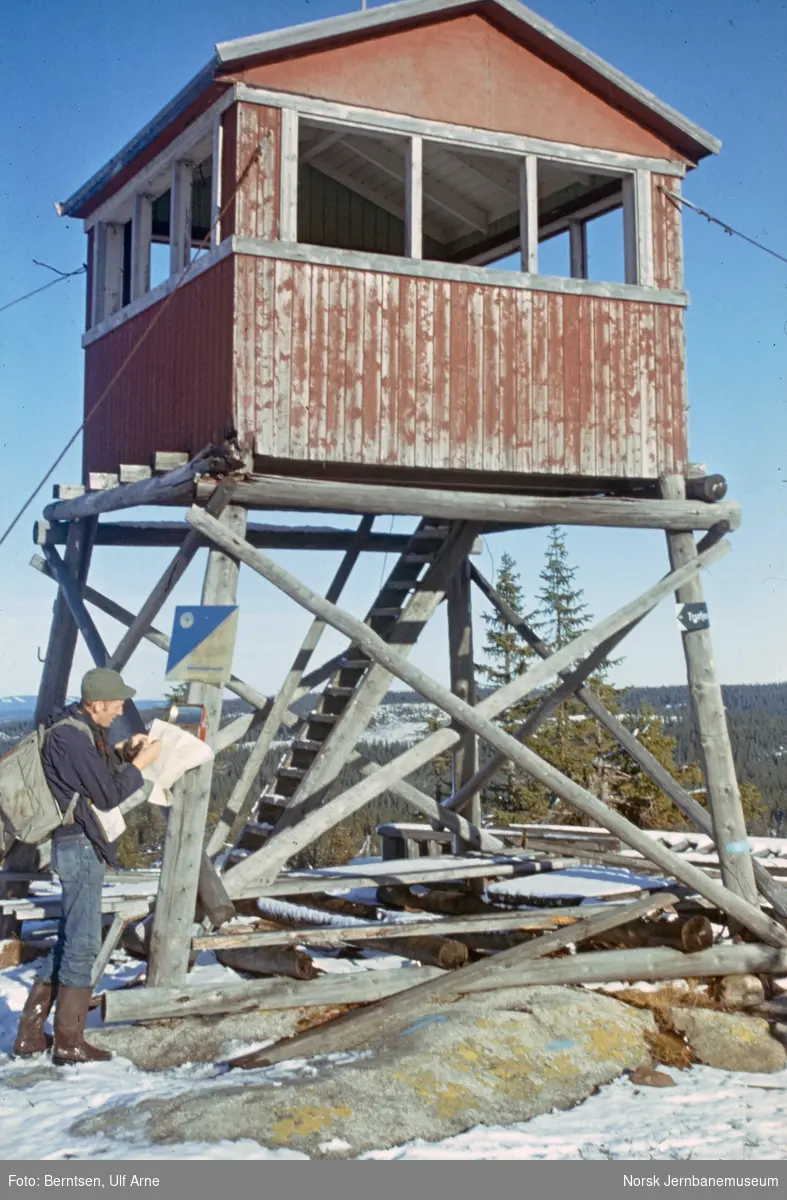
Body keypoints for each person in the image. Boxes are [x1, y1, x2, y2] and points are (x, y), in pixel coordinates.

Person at [13, 668, 162, 1065]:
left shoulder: (76, 729)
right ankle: (68, 1043)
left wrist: (121, 754)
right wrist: (142, 764)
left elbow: (90, 777)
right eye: (115, 706)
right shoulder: (70, 736)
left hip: (77, 845)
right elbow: (108, 794)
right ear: (96, 703)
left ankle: (30, 1035)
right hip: (79, 846)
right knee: (82, 943)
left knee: (69, 940)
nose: (118, 712)